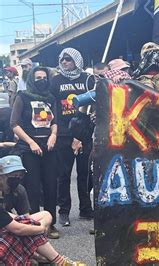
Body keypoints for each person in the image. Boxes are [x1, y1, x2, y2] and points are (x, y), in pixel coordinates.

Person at [0, 155, 82, 265]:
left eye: (19, 175)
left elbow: (25, 218)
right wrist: (40, 229)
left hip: (7, 226)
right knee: (27, 227)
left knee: (45, 215)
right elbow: (17, 228)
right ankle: (58, 261)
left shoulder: (19, 190)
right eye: (13, 175)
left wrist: (33, 227)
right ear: (2, 176)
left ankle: (37, 252)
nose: (17, 178)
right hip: (6, 230)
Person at [10, 67, 60, 239]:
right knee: (32, 187)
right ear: (32, 79)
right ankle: (35, 225)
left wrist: (53, 135)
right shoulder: (22, 96)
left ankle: (50, 224)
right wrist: (30, 142)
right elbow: (14, 123)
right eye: (38, 77)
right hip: (29, 148)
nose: (42, 80)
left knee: (51, 186)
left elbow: (54, 121)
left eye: (44, 77)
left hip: (49, 146)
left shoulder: (51, 98)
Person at [50, 48, 95, 227]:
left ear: (77, 60)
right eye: (62, 59)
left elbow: (93, 107)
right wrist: (70, 136)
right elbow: (53, 110)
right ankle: (64, 211)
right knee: (64, 175)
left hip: (85, 135)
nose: (65, 62)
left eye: (68, 59)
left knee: (85, 174)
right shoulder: (55, 81)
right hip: (63, 135)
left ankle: (85, 208)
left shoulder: (87, 79)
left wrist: (82, 135)